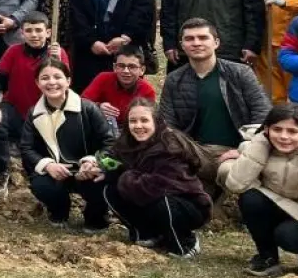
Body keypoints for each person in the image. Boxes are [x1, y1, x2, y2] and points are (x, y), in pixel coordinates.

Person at [219, 103, 298, 278]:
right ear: (267, 130)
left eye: (292, 131)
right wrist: (260, 143)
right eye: (277, 129)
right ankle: (267, 257)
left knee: (288, 235)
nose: (283, 136)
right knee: (250, 198)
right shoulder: (258, 148)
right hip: (278, 206)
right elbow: (236, 185)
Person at [157, 18, 271, 175]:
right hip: (194, 152)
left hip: (236, 150)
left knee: (227, 172)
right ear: (182, 45)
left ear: (216, 42)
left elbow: (262, 112)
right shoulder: (174, 79)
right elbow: (167, 124)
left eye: (203, 37)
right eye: (189, 39)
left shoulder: (240, 73)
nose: (196, 43)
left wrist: (246, 148)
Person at [103, 98, 209, 258]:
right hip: (149, 197)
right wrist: (96, 164)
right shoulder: (127, 142)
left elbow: (158, 185)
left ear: (156, 121)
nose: (138, 126)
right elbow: (110, 158)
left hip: (186, 204)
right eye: (133, 121)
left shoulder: (170, 145)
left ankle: (186, 242)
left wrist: (125, 176)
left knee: (162, 202)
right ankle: (147, 233)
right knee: (110, 190)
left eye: (144, 120)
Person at [21, 58, 114, 231]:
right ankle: (58, 212)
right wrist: (48, 165)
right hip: (55, 171)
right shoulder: (33, 113)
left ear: (68, 81)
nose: (52, 82)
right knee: (42, 185)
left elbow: (110, 143)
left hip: (87, 170)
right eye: (45, 78)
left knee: (103, 180)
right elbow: (26, 148)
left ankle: (96, 217)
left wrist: (93, 162)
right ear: (37, 83)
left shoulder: (88, 108)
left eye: (57, 77)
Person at [0, 12, 67, 195]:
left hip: (44, 113)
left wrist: (58, 62)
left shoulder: (57, 55)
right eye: (29, 30)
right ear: (22, 33)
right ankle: (2, 169)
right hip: (15, 108)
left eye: (38, 30)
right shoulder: (13, 51)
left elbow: (64, 87)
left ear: (48, 32)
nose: (34, 35)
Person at [82, 46, 157, 129]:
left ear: (142, 70)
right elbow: (82, 103)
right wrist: (97, 107)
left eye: (132, 67)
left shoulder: (147, 91)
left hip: (130, 130)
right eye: (121, 66)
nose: (126, 71)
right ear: (114, 67)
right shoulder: (103, 78)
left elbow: (147, 121)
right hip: (100, 127)